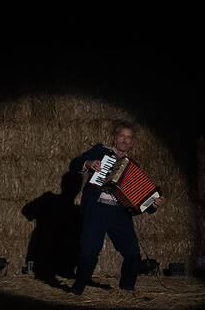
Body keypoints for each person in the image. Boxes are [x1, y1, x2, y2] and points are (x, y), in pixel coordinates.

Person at [70, 120, 164, 295]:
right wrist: (88, 163)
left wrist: (153, 205)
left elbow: (141, 199)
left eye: (129, 137)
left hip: (119, 213)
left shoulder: (133, 165)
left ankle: (126, 289)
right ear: (115, 137)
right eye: (122, 136)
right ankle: (77, 289)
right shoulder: (100, 151)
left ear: (132, 141)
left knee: (133, 254)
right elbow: (75, 163)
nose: (125, 140)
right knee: (89, 251)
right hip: (97, 210)